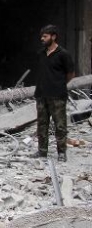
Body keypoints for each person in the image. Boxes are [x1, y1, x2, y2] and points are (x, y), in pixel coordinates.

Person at [32, 24, 76, 162]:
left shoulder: (63, 54)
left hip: (57, 96)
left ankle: (61, 153)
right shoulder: (41, 53)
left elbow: (70, 74)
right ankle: (42, 151)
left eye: (45, 36)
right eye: (42, 36)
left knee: (60, 125)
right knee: (42, 125)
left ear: (53, 36)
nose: (42, 39)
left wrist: (59, 85)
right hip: (41, 95)